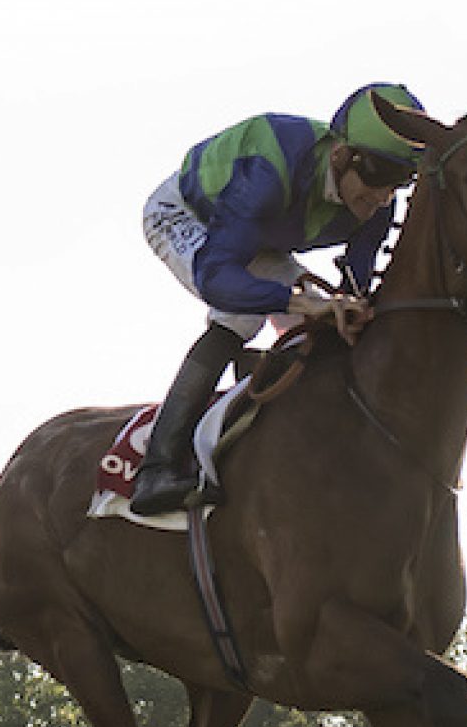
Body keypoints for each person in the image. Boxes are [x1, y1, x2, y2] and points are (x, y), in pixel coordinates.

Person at [129, 83, 425, 515]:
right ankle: (158, 467)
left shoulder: (378, 206)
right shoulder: (269, 169)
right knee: (240, 316)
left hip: (256, 235)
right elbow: (218, 278)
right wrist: (299, 301)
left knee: (325, 325)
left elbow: (355, 283)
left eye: (400, 181)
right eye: (379, 175)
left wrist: (344, 307)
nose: (383, 196)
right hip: (188, 216)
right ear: (341, 156)